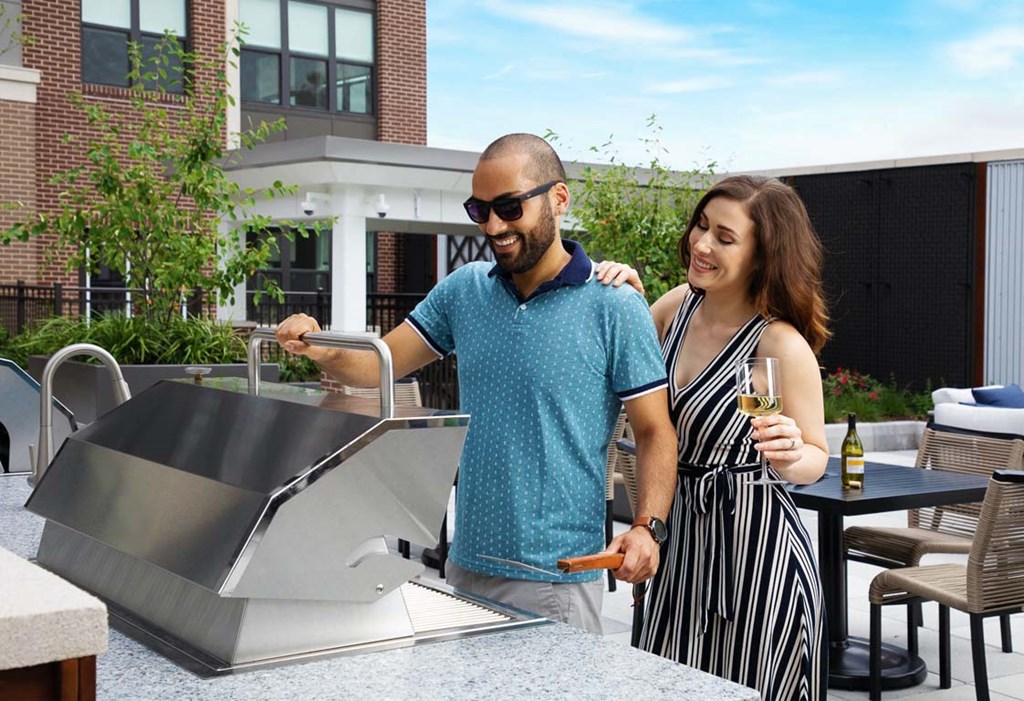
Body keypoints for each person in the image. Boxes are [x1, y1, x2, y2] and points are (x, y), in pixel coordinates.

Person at [276, 133, 678, 634]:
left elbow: (655, 432)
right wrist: (317, 345)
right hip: (467, 563)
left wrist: (646, 528)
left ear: (559, 198)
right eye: (479, 209)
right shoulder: (465, 291)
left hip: (557, 576)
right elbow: (375, 365)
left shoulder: (614, 305)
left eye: (509, 207)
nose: (493, 226)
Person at [598, 175, 829, 699]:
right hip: (677, 544)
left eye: (725, 238)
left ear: (762, 256)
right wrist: (621, 298)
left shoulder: (778, 344)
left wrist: (791, 454)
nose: (701, 244)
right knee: (666, 684)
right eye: (701, 226)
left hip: (754, 557)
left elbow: (815, 457)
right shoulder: (674, 306)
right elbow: (623, 363)